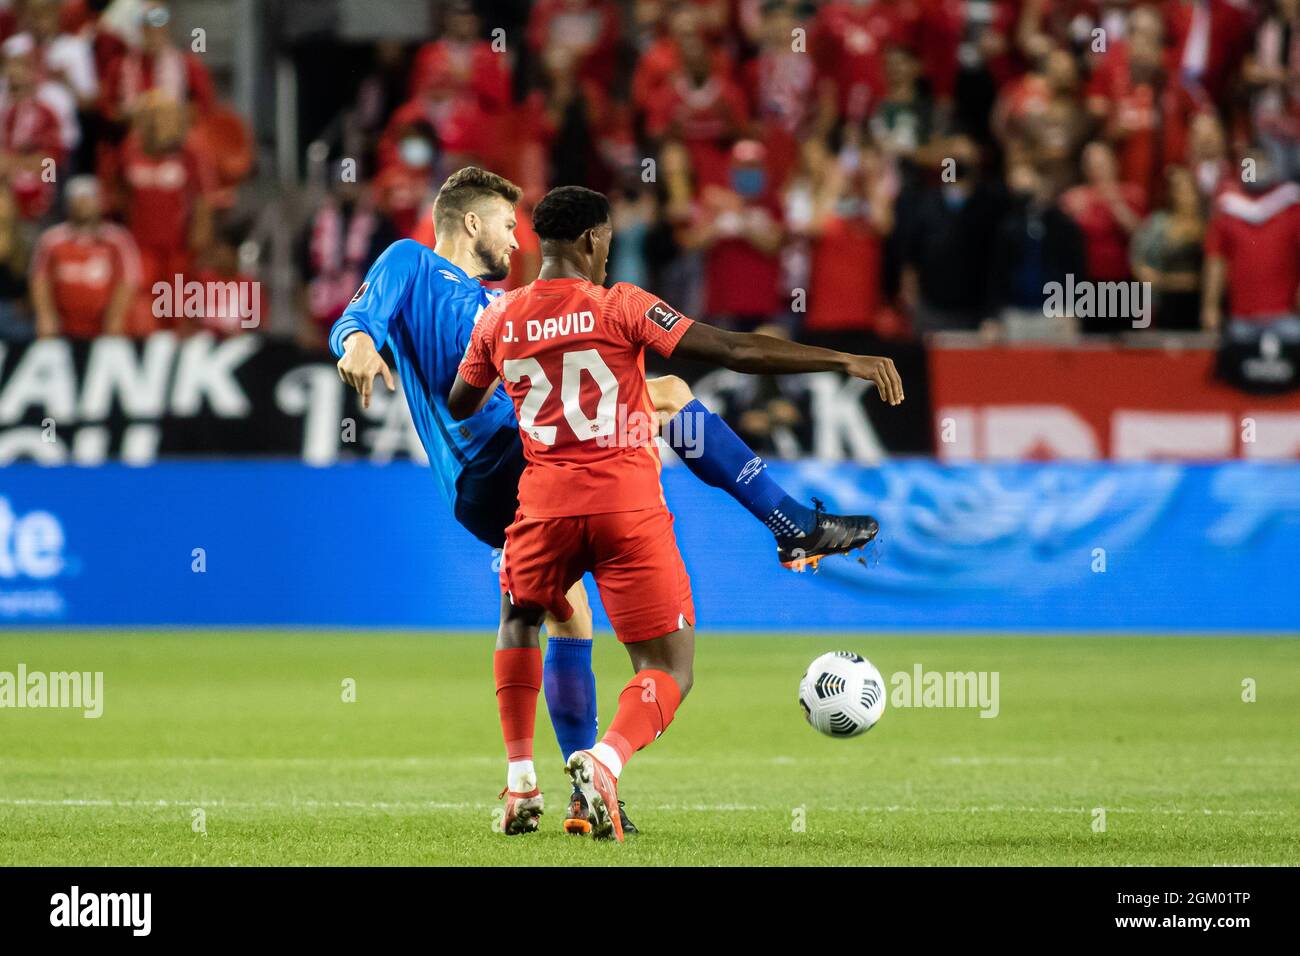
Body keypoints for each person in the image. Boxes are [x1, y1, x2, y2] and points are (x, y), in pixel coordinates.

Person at [330, 167, 886, 836]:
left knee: (566, 621)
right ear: (470, 222)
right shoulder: (415, 264)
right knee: (675, 394)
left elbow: (460, 393)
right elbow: (361, 314)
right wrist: (359, 344)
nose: (515, 244)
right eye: (507, 227)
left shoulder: (501, 310)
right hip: (511, 457)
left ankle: (548, 788)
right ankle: (792, 523)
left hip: (493, 491)